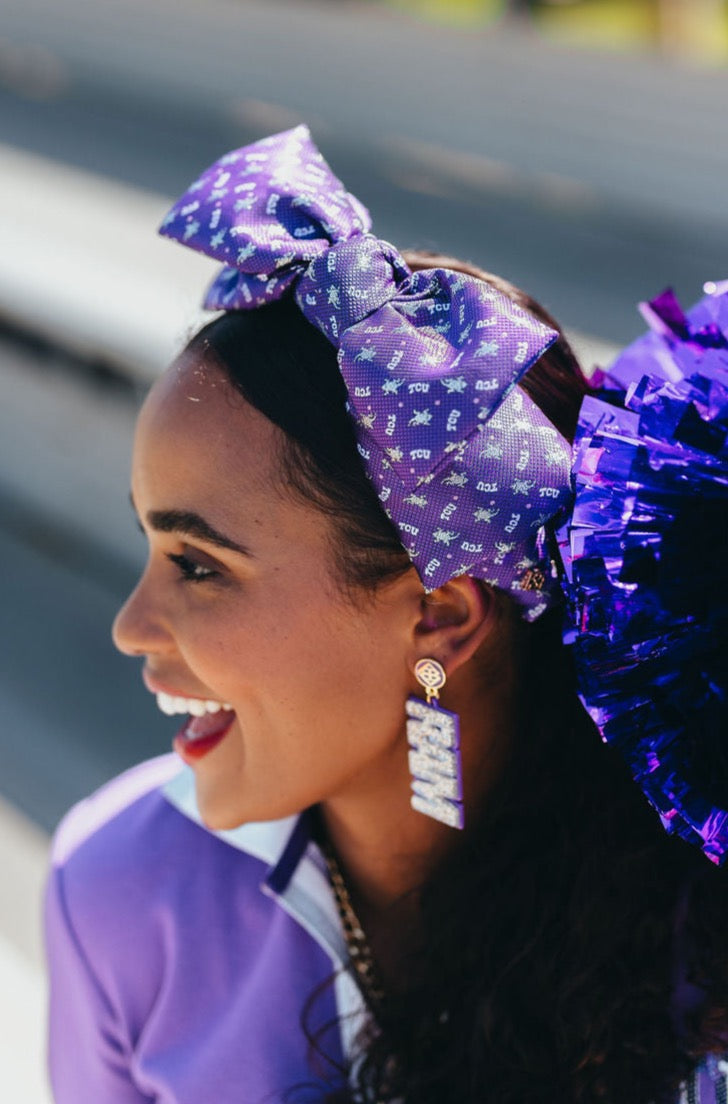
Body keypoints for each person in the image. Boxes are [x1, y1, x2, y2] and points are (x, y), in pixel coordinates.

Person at [44, 126, 728, 1104]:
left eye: (197, 565)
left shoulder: (696, 906)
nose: (131, 627)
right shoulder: (113, 893)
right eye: (151, 548)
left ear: (442, 616)